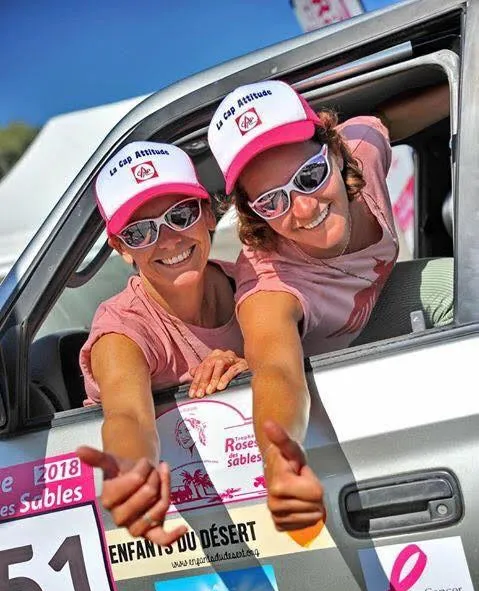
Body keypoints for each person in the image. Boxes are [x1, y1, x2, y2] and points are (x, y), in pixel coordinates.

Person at [208, 80, 451, 534]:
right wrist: (282, 465)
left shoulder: (364, 150)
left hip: (380, 310)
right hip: (333, 379)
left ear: (336, 154)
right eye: (271, 201)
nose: (302, 209)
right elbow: (276, 371)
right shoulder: (269, 286)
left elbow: (387, 121)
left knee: (454, 282)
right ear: (252, 213)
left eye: (310, 176)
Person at [76, 141, 247, 545]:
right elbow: (129, 417)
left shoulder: (254, 283)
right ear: (120, 249)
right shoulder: (121, 329)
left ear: (208, 214)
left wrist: (249, 369)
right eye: (139, 231)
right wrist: (134, 477)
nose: (168, 240)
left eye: (180, 214)